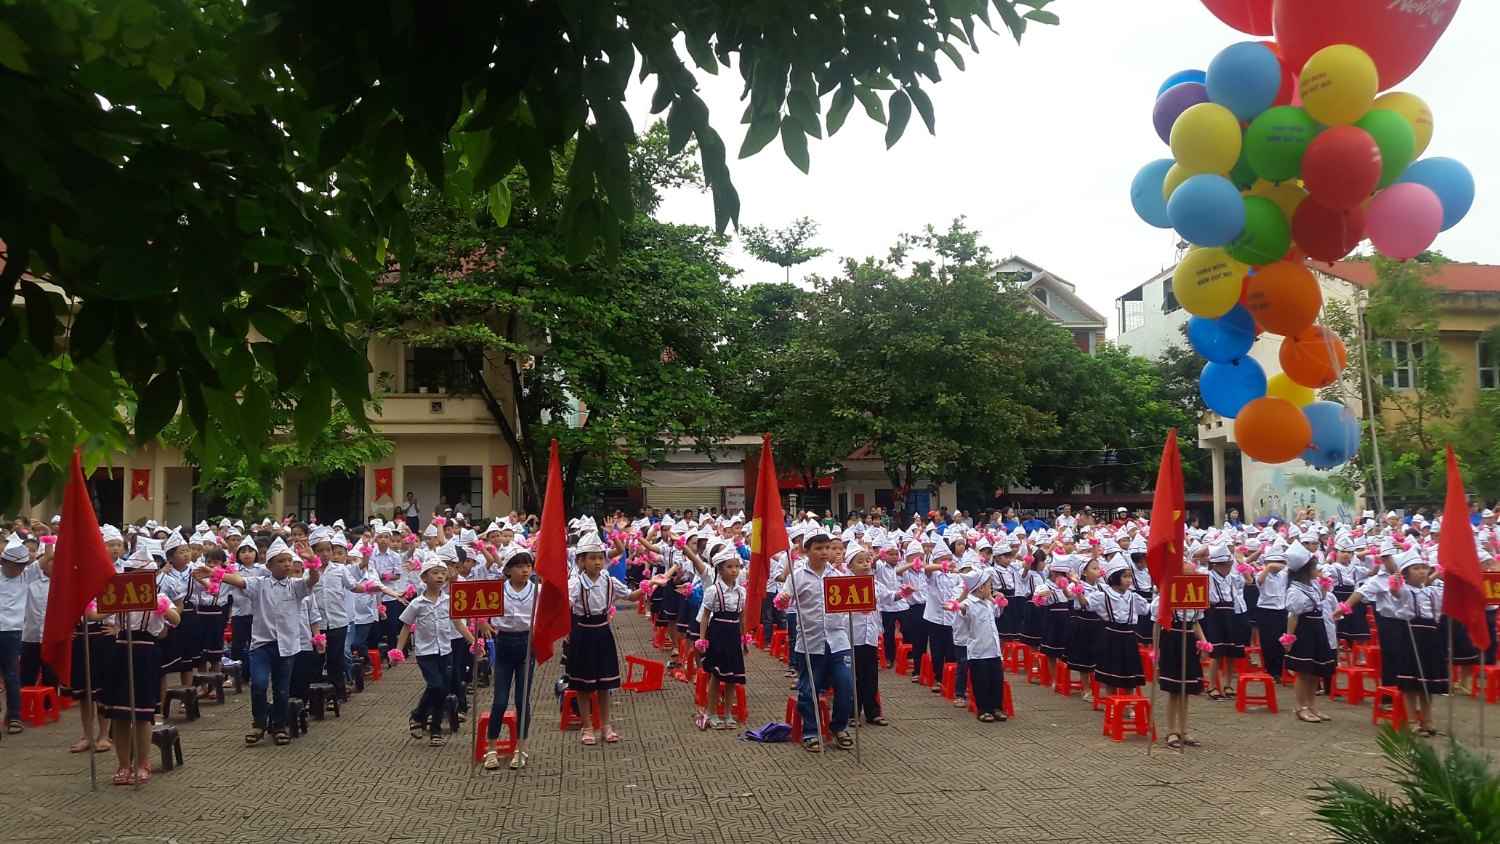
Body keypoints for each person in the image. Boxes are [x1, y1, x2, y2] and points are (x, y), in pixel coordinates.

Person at [214, 537, 322, 746]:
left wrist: (311, 561)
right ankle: (259, 722)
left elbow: (312, 580)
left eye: (289, 561)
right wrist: (215, 574)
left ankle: (279, 726)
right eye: (281, 561)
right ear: (269, 566)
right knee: (259, 684)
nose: (287, 565)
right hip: (262, 645)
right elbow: (238, 581)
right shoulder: (259, 584)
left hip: (287, 646)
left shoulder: (296, 586)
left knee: (282, 689)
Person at [100, 539, 181, 785]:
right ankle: (124, 763)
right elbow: (96, 615)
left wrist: (158, 603)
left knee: (143, 713)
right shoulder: (117, 597)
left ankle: (143, 762)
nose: (137, 579)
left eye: (144, 575)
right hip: (121, 652)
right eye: (132, 575)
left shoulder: (159, 597)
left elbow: (175, 619)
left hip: (146, 653)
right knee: (120, 714)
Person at [778, 525, 855, 752]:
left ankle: (839, 726)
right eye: (819, 548)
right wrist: (783, 600)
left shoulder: (839, 577)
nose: (824, 552)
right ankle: (811, 730)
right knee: (808, 688)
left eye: (828, 548)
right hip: (810, 642)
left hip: (838, 640)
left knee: (845, 683)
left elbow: (852, 602)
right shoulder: (797, 577)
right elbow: (785, 601)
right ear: (807, 550)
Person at [565, 534, 646, 745]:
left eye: (601, 558)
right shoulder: (575, 583)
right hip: (583, 633)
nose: (598, 562)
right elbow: (565, 607)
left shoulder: (609, 581)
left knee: (604, 683)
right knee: (583, 684)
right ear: (581, 561)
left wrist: (650, 585)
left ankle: (606, 725)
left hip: (603, 632)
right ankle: (587, 726)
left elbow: (631, 596)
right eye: (592, 558)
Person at [395, 557, 479, 746]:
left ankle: (436, 730)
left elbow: (458, 623)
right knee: (436, 686)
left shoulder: (450, 601)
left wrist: (474, 642)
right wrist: (398, 651)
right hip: (425, 653)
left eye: (442, 573)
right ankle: (417, 714)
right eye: (435, 573)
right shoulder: (417, 603)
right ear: (424, 577)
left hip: (445, 651)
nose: (440, 576)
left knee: (443, 691)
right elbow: (406, 627)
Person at [482, 548, 537, 771]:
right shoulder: (496, 590)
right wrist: (483, 623)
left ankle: (520, 747)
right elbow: (478, 612)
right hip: (503, 643)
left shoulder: (537, 590)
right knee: (500, 700)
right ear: (507, 570)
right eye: (519, 566)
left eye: (528, 566)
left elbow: (547, 614)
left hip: (527, 645)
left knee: (522, 699)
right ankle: (492, 748)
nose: (525, 571)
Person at [1152, 560, 1210, 750]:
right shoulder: (1166, 597)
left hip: (1189, 641)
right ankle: (1171, 731)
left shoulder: (1195, 596)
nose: (1189, 578)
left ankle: (1184, 730)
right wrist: (1156, 649)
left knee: (1186, 690)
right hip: (1172, 642)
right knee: (1174, 690)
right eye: (1185, 574)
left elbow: (1196, 623)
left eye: (1191, 574)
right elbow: (1157, 624)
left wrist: (1204, 644)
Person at [1282, 542, 1336, 724]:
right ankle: (1302, 706)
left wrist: (1323, 586)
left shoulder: (1311, 585)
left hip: (1317, 629)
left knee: (1315, 670)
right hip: (1304, 631)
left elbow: (1318, 601)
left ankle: (1311, 704)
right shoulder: (1295, 590)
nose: (1318, 569)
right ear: (1304, 570)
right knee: (1303, 671)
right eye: (1314, 567)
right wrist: (1289, 638)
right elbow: (1293, 615)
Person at [695, 547, 748, 731]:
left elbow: (742, 616)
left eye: (737, 566)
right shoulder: (713, 590)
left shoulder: (742, 591)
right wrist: (702, 640)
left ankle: (727, 714)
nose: (734, 570)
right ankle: (713, 713)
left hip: (733, 633)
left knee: (732, 676)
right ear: (719, 569)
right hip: (717, 632)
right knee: (717, 674)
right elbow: (705, 615)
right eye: (729, 567)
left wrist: (744, 637)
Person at [953, 568, 1007, 722]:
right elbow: (962, 607)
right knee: (981, 682)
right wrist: (955, 606)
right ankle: (983, 710)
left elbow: (998, 613)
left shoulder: (988, 603)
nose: (991, 589)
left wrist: (1000, 603)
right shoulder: (970, 603)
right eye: (989, 586)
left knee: (996, 680)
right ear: (981, 587)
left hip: (994, 650)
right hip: (978, 652)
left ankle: (996, 707)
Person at [1090, 556, 1147, 699]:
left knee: (1129, 670)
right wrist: (1077, 588)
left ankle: (1128, 703)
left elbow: (1146, 609)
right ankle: (1111, 702)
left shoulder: (1134, 597)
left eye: (1129, 577)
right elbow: (1087, 604)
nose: (1128, 580)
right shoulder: (1103, 596)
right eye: (1124, 577)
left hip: (1129, 636)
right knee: (1110, 671)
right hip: (1111, 635)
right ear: (1113, 578)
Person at [845, 544, 889, 727]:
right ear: (850, 566)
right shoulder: (844, 585)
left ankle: (873, 712)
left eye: (867, 561)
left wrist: (903, 593)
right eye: (860, 561)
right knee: (852, 677)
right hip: (852, 638)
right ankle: (852, 712)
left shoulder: (876, 584)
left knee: (871, 676)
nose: (865, 565)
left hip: (870, 637)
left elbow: (889, 596)